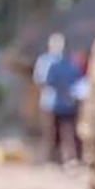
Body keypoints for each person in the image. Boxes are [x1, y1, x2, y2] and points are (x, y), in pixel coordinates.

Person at [34, 33, 84, 164]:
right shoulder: (46, 61)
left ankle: (70, 158)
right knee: (51, 133)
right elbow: (42, 81)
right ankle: (51, 159)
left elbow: (78, 81)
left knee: (70, 133)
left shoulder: (71, 62)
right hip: (51, 103)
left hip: (68, 104)